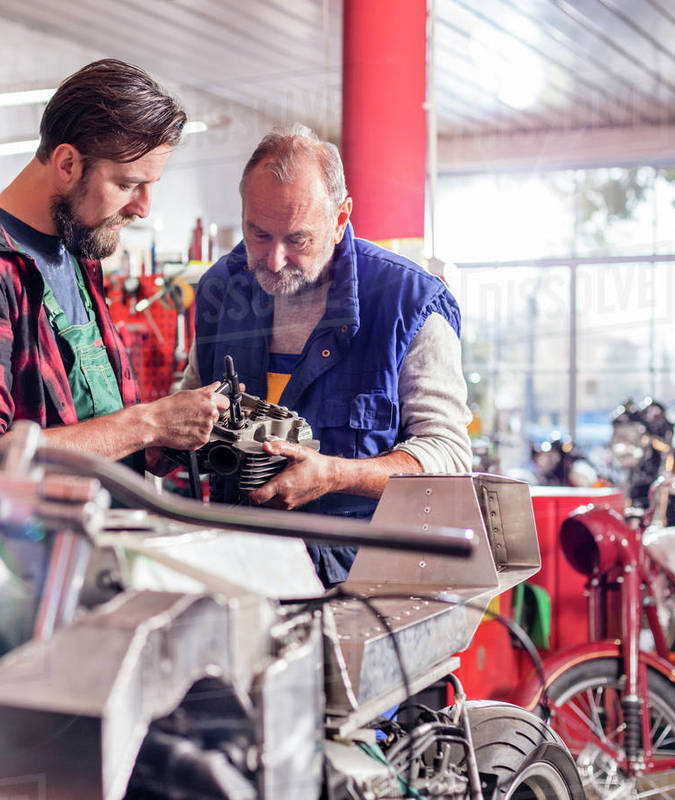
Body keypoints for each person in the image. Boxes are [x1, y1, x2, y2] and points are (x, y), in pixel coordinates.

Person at [181, 124, 473, 586]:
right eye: (258, 235)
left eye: (297, 240)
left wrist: (336, 475)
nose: (273, 261)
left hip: (359, 585)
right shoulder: (222, 288)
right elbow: (192, 400)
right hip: (236, 570)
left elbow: (449, 454)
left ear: (340, 220)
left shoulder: (408, 303)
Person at [0, 59, 227, 462]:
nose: (142, 209)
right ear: (68, 164)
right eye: (126, 184)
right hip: (21, 527)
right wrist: (148, 423)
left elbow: (99, 427)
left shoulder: (77, 252)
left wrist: (173, 436)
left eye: (149, 187)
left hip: (106, 522)